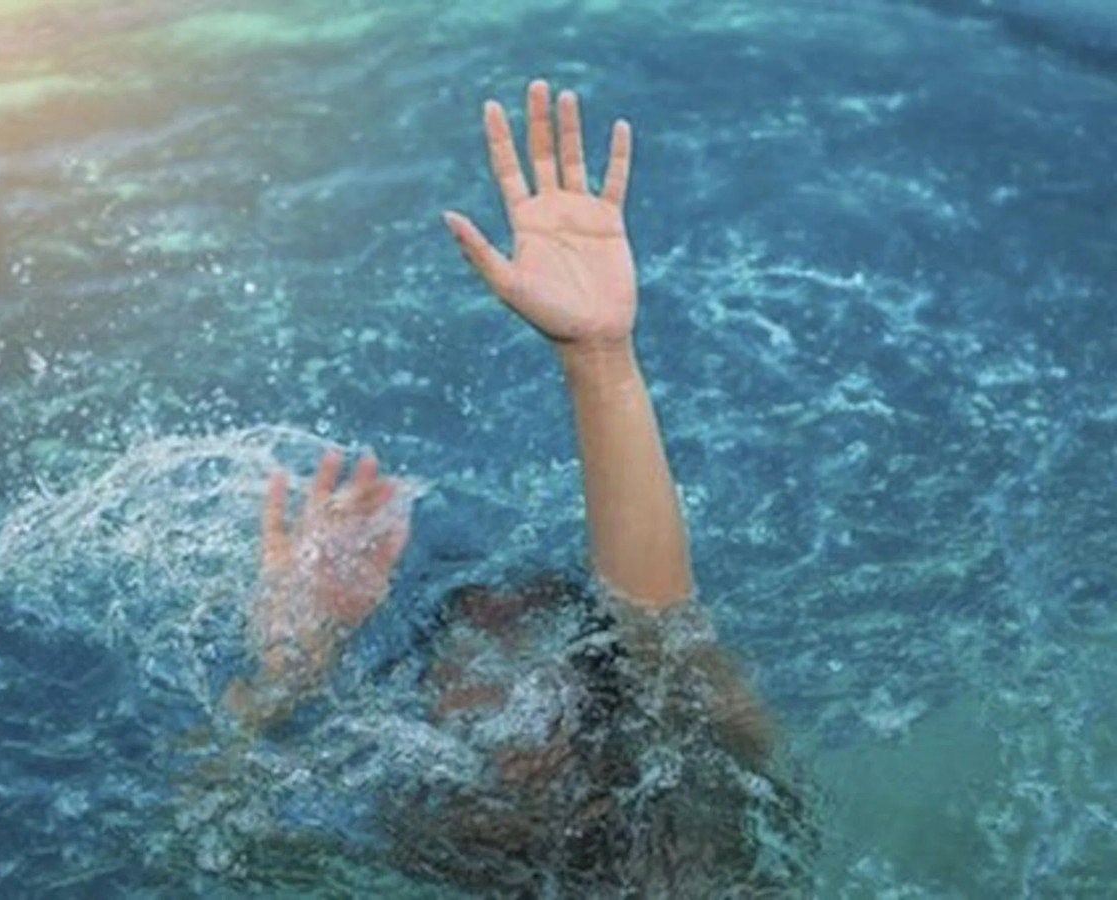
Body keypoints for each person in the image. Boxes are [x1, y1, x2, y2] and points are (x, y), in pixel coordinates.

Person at [222, 79, 811, 897]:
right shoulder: (406, 848)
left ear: (605, 721)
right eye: (456, 654)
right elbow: (198, 843)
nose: (473, 677)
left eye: (522, 642)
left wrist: (600, 361)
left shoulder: (686, 822)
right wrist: (284, 679)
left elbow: (660, 626)